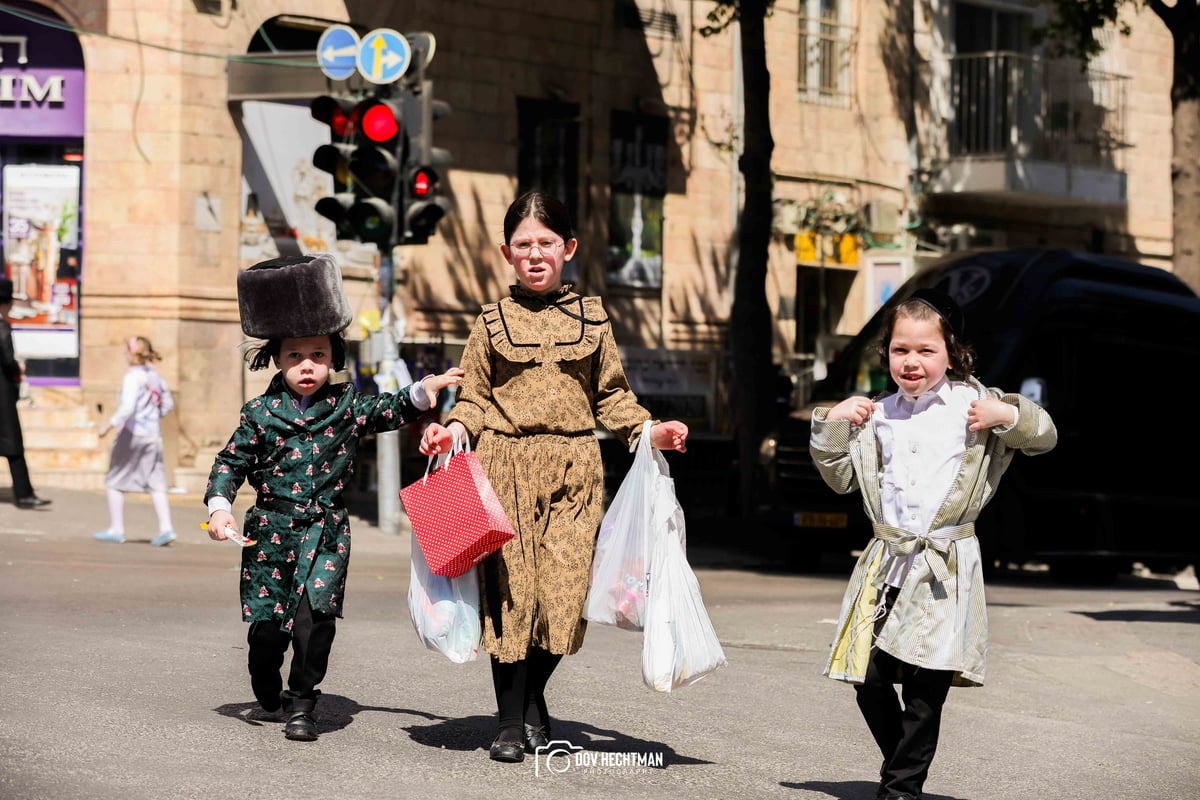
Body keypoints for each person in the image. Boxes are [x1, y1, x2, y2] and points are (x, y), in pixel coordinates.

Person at [419, 190, 689, 763]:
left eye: (546, 243)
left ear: (567, 248)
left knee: (565, 598)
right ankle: (511, 724)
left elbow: (613, 396)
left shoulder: (593, 317)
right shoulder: (490, 321)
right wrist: (450, 431)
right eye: (523, 245)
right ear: (506, 252)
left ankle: (533, 695)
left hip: (575, 469)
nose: (535, 254)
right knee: (512, 600)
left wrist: (651, 431)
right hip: (503, 467)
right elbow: (472, 399)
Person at [809, 288, 1058, 800]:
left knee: (926, 688)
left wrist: (1006, 416)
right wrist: (831, 423)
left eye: (926, 350)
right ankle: (901, 766)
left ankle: (901, 787)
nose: (912, 362)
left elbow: (1044, 435)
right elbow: (839, 481)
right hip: (887, 564)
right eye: (901, 349)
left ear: (953, 353)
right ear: (887, 353)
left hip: (947, 565)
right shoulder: (875, 414)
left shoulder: (977, 403)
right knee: (869, 675)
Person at [203, 254, 463, 743]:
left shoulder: (347, 406)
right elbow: (228, 463)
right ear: (277, 358)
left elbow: (388, 409)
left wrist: (426, 390)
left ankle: (303, 703)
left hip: (326, 534)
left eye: (318, 355)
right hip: (270, 535)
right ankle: (268, 689)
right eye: (296, 355)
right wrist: (220, 508)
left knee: (315, 622)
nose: (308, 366)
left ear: (333, 358)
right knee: (266, 633)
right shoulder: (258, 413)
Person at [93, 336, 177, 545]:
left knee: (114, 480)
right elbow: (167, 403)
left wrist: (108, 425)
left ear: (131, 353)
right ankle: (166, 528)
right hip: (153, 435)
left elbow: (127, 408)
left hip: (133, 434)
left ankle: (116, 528)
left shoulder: (133, 377)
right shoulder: (155, 376)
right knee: (157, 482)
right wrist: (154, 416)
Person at [0, 278, 50, 509]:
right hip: (2, 396)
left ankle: (25, 493)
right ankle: (24, 494)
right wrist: (17, 368)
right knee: (14, 446)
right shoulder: (1, 327)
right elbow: (8, 360)